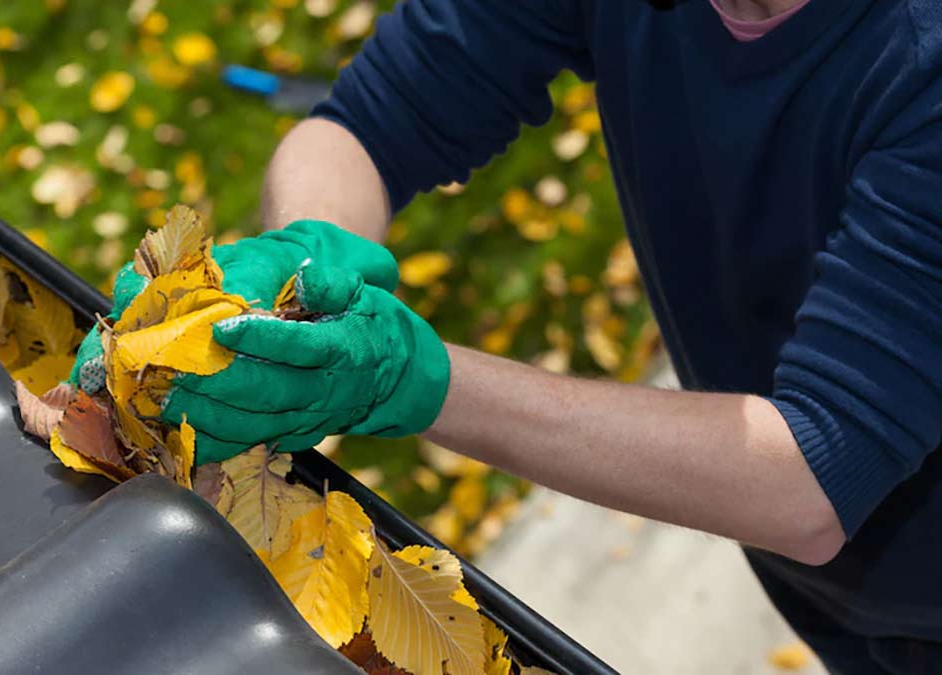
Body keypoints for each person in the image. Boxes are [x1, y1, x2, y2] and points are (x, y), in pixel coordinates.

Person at [73, 1, 942, 671]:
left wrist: (411, 377)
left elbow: (812, 473)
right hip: (842, 597)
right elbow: (366, 125)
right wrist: (302, 268)